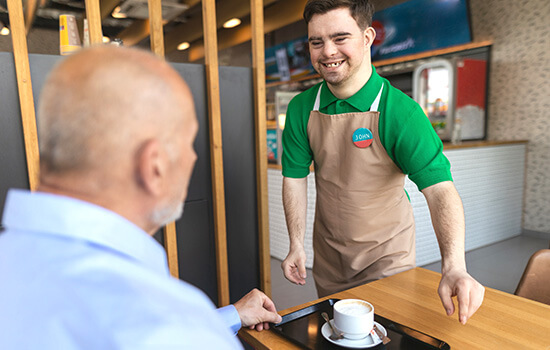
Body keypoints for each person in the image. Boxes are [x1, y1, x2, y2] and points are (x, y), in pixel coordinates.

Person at [0, 46, 281, 349]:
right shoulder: (170, 326)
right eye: (189, 142)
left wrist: (229, 316)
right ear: (154, 166)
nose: (193, 156)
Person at [281, 0, 485, 325]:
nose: (327, 51)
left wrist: (454, 265)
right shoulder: (301, 108)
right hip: (329, 257)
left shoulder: (401, 113)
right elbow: (294, 178)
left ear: (367, 37)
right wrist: (295, 243)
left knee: (389, 336)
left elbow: (440, 191)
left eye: (340, 37)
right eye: (316, 42)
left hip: (388, 257)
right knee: (338, 335)